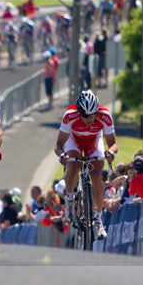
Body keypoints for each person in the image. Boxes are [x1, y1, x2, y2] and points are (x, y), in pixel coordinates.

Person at [54, 89, 118, 240]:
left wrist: (111, 153)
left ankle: (98, 221)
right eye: (85, 116)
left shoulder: (105, 116)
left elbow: (113, 144)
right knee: (74, 166)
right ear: (78, 112)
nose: (89, 119)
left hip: (94, 141)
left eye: (92, 115)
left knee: (96, 176)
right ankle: (69, 199)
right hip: (73, 139)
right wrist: (62, 155)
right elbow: (58, 145)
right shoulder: (70, 116)